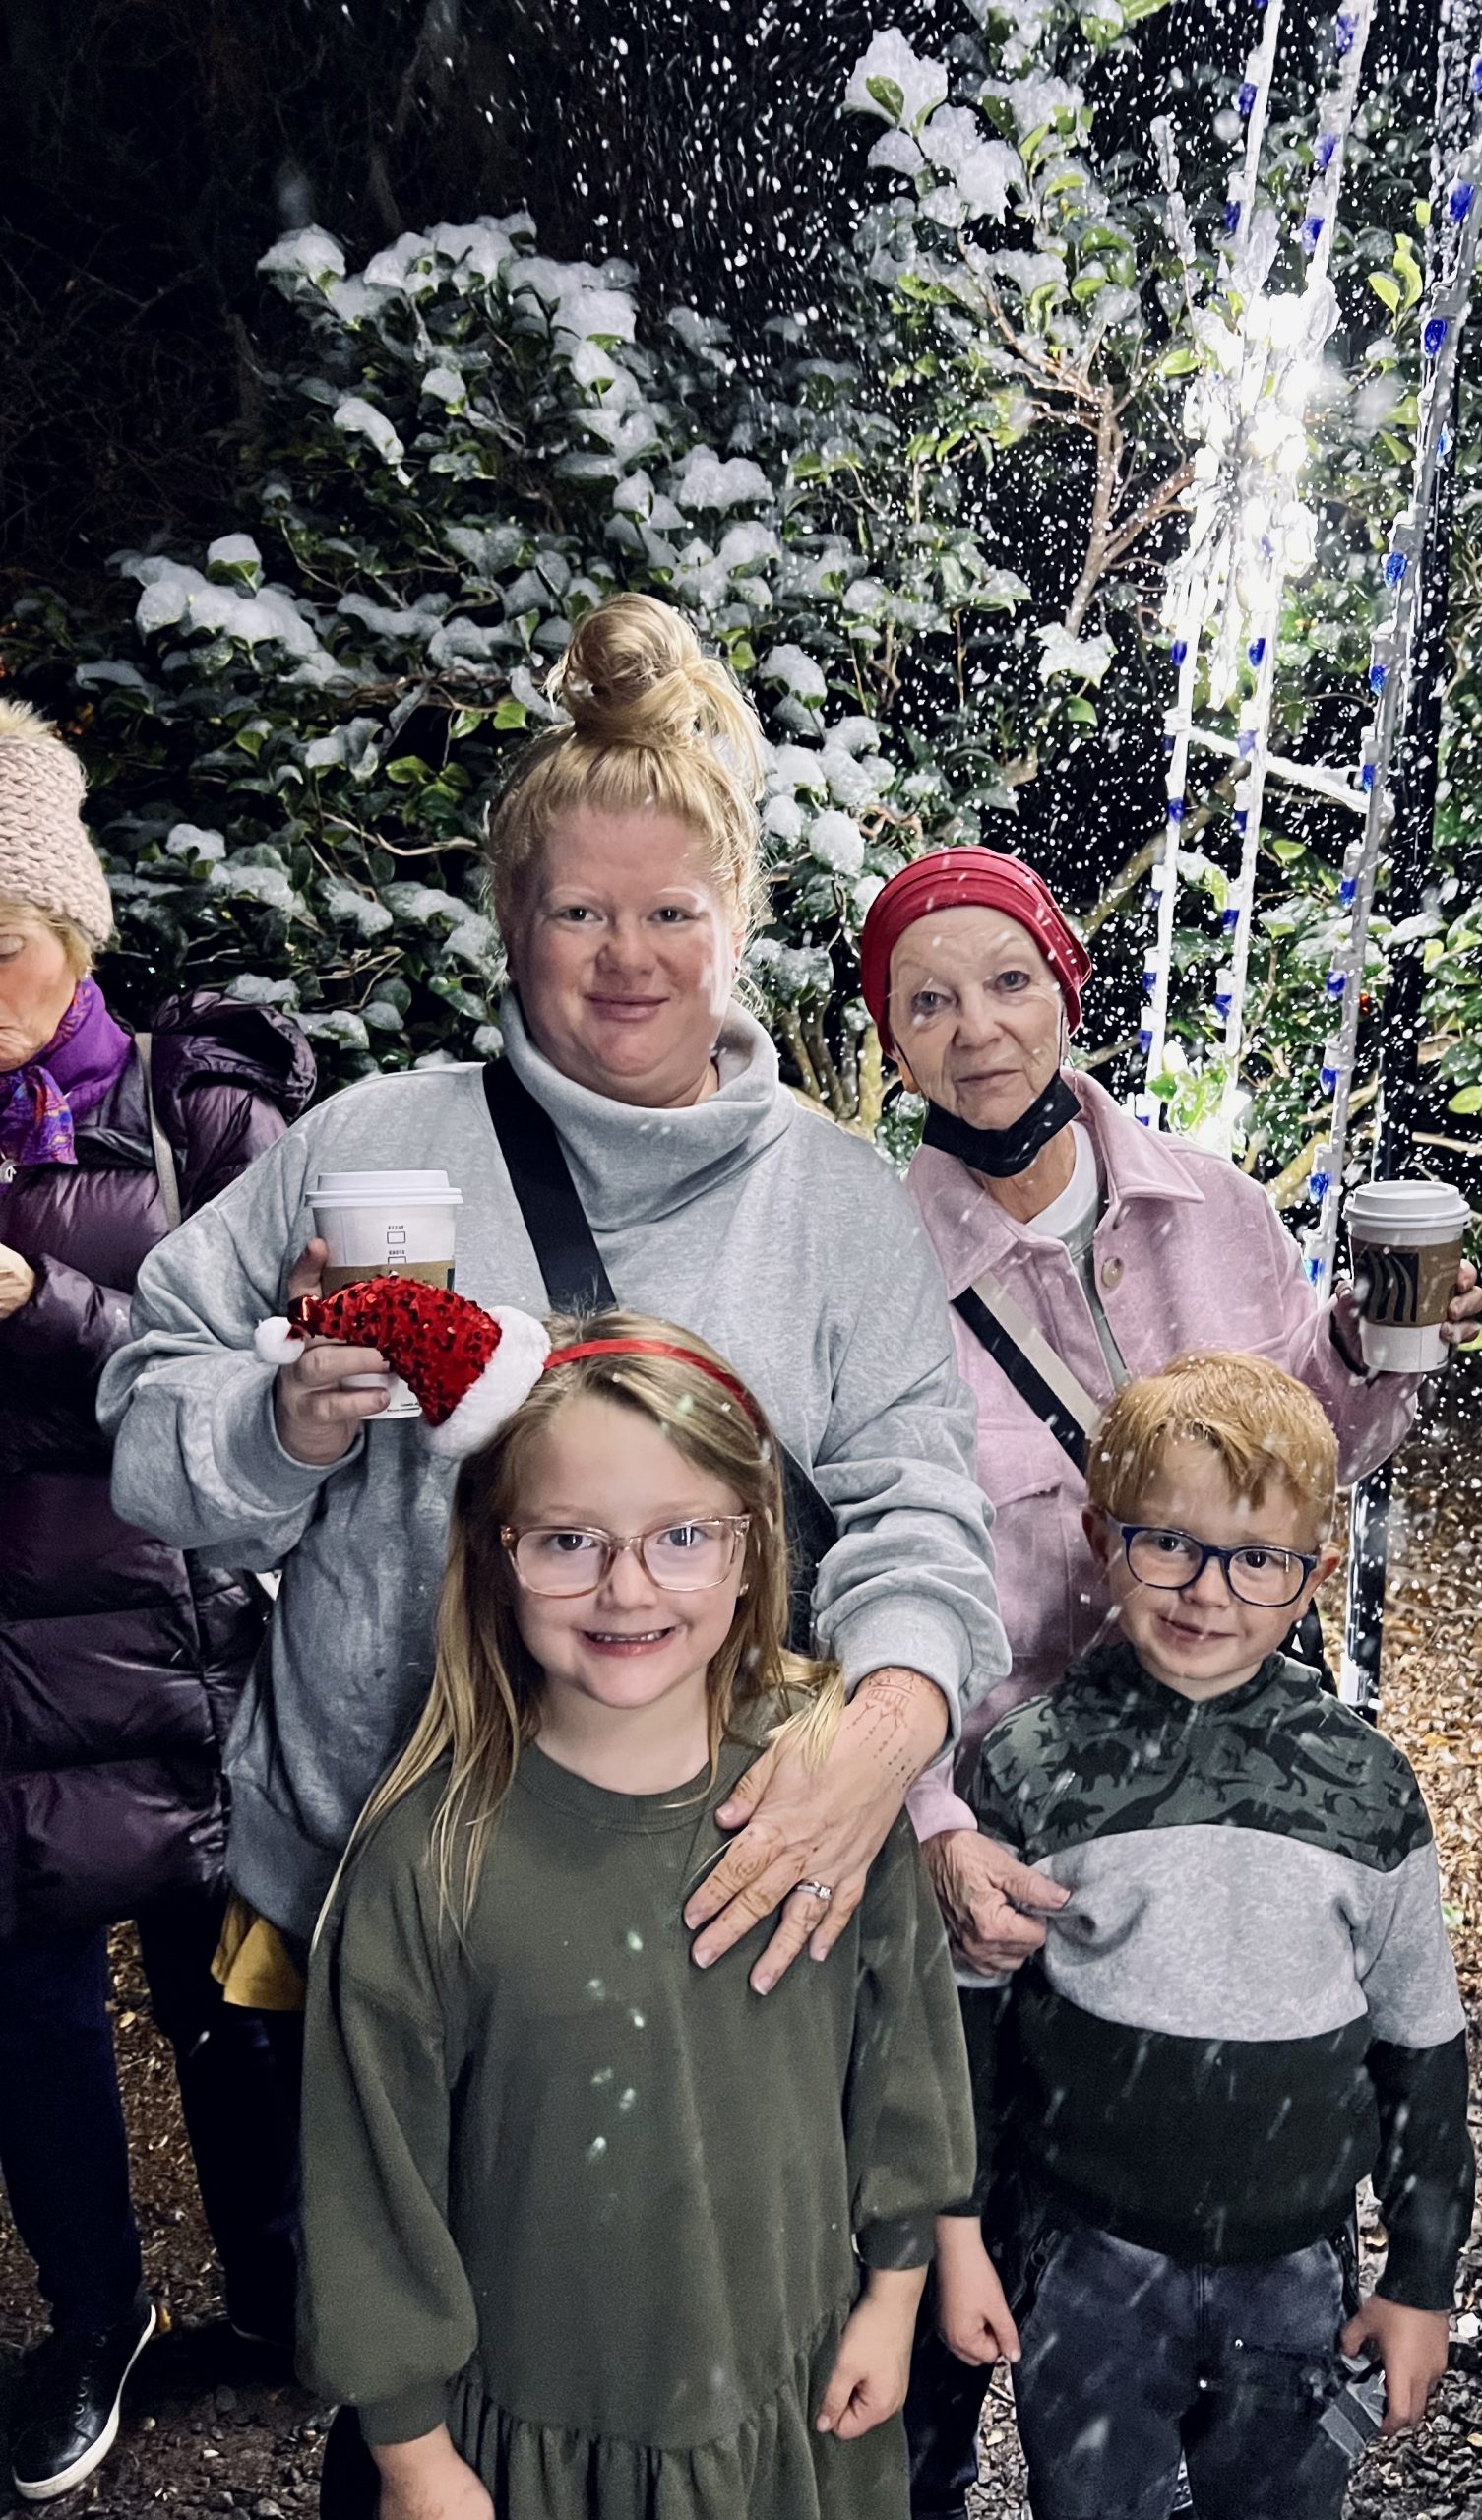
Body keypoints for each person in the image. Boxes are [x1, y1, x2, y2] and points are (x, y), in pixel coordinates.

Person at [99, 595, 1006, 2000]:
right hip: (347, 1887)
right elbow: (150, 1428)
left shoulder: (833, 1203)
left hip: (697, 1913)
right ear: (510, 921)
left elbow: (922, 1514)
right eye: (579, 911)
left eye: (671, 913)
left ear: (738, 924)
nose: (626, 958)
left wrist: (883, 1737)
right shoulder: (370, 1149)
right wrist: (283, 1426)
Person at [856, 845, 1482, 2520]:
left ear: (1066, 988)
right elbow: (834, 1568)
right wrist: (929, 1825)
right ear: (889, 1037)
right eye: (929, 1001)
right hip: (1004, 1819)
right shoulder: (868, 1265)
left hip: (1227, 1790)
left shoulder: (1214, 1209)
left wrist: (1367, 1354)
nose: (978, 1029)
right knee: (946, 2295)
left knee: (1200, 2208)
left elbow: (1299, 1459)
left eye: (1009, 981)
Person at [298, 1307, 974, 2520]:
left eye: (683, 1536)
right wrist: (410, 2451)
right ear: (493, 1554)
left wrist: (895, 2286)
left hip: (794, 2410)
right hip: (536, 2449)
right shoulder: (428, 1858)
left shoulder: (828, 1796)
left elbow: (905, 2054)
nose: (628, 1587)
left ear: (753, 1547)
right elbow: (370, 2180)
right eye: (568, 1539)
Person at [933, 1351, 1475, 2520]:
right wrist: (959, 2227)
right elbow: (970, 2034)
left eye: (1257, 1558)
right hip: (1085, 2262)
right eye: (1166, 1543)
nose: (1206, 1591)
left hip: (1297, 2274)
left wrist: (1422, 2276)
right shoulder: (1027, 1766)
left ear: (1314, 1572)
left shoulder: (1366, 1789)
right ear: (1100, 1537)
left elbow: (1422, 2047)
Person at [0, 700, 314, 2501]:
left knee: (233, 2012)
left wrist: (38, 1301)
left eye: (4, 941)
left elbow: (289, 1374)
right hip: (9, 1668)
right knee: (30, 2025)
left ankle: (281, 2305)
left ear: (78, 923)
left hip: (188, 1653)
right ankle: (92, 2319)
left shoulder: (196, 1111)